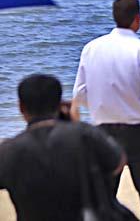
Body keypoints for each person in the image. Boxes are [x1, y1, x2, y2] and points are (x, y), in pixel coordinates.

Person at [72, 0, 140, 221]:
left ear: (114, 16)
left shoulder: (91, 48)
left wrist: (103, 105)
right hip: (138, 134)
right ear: (137, 19)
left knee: (103, 200)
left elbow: (80, 95)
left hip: (103, 134)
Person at [0, 74, 127, 220]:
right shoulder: (84, 134)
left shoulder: (9, 150)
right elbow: (117, 162)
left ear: (21, 107)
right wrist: (74, 124)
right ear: (60, 104)